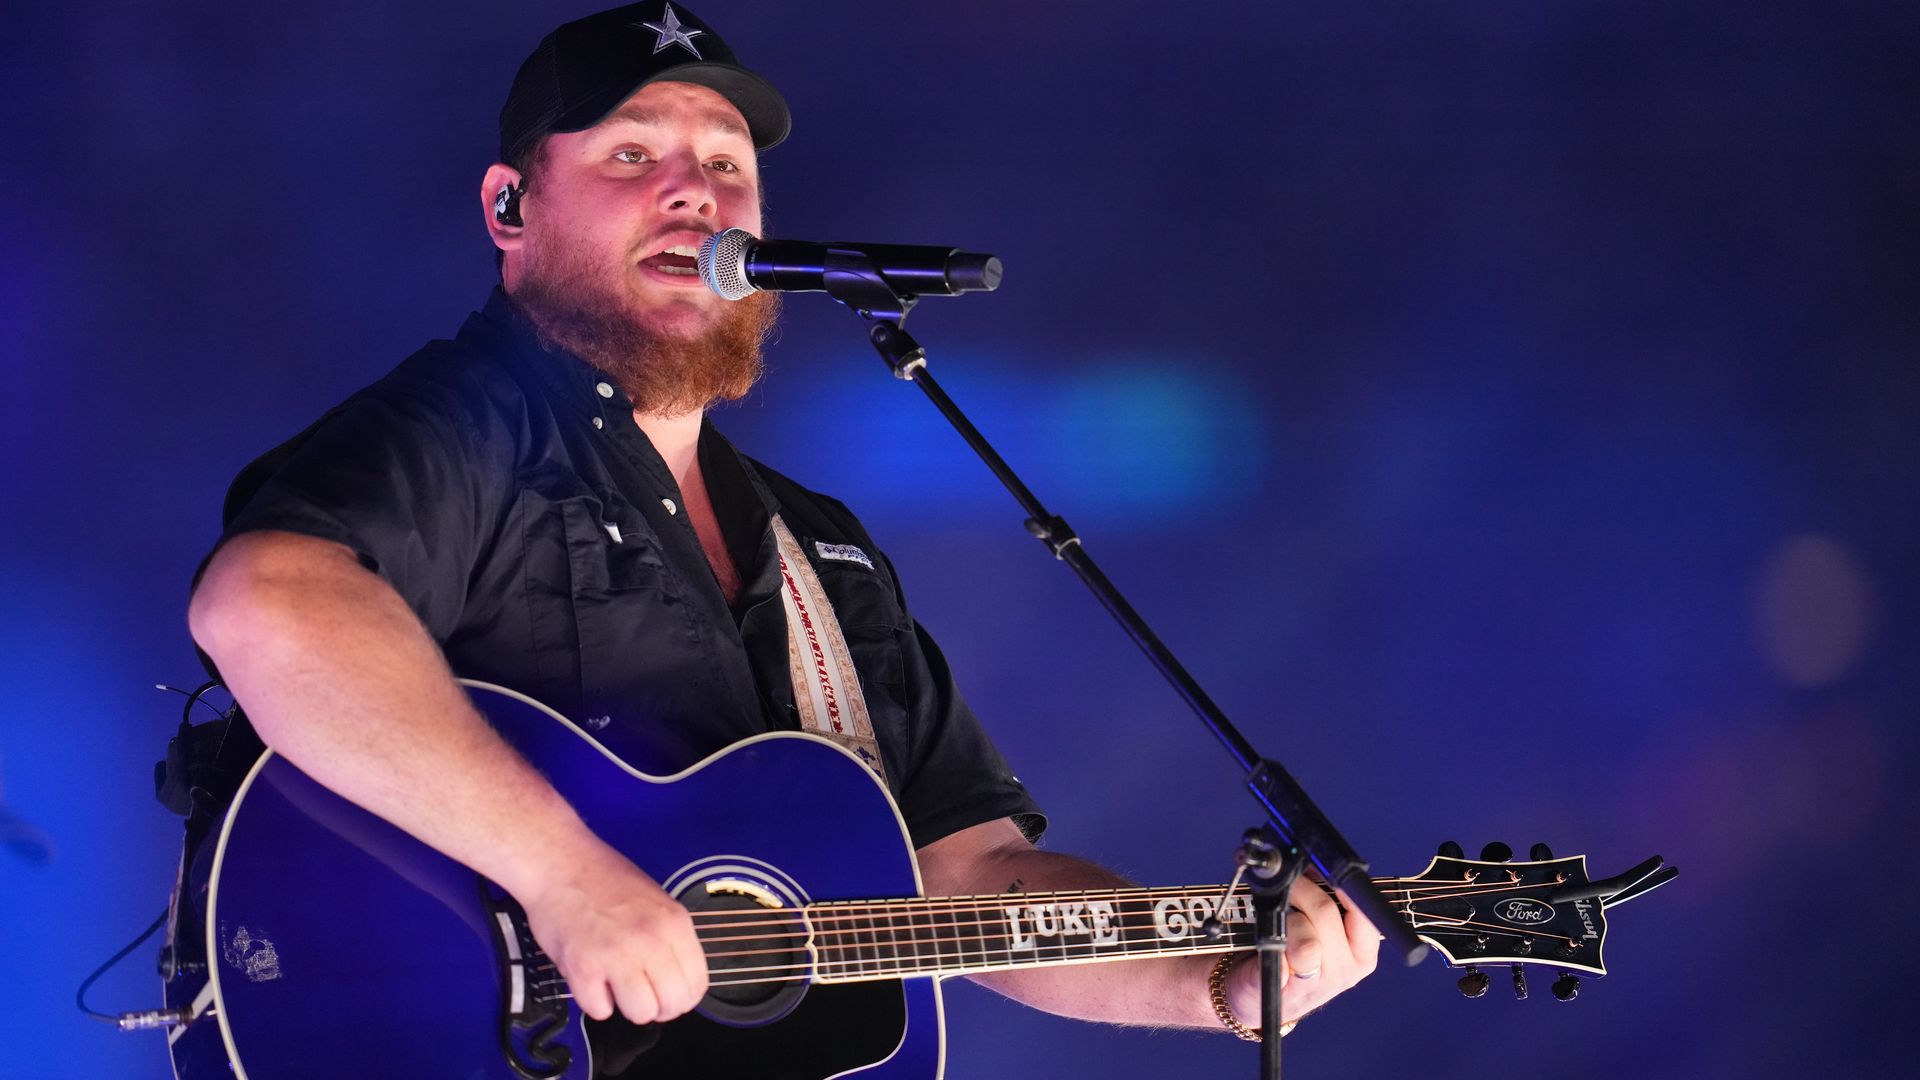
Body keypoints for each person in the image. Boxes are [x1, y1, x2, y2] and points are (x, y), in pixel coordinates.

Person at [187, 0, 1377, 1057]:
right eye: (633, 153)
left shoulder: (821, 546)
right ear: (510, 206)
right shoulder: (464, 428)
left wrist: (1220, 980)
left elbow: (964, 875)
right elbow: (267, 605)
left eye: (725, 164)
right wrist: (564, 876)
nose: (694, 191)